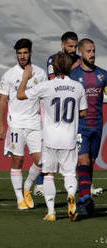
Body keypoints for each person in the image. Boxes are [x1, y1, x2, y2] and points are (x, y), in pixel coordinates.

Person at [17, 52, 87, 222]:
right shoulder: (78, 87)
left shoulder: (46, 86)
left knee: (48, 174)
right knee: (69, 173)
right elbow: (83, 112)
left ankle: (51, 212)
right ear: (70, 67)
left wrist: (26, 77)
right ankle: (71, 195)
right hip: (69, 137)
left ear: (54, 68)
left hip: (50, 138)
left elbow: (20, 95)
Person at [0, 39, 47, 210]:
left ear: (30, 53)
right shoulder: (9, 74)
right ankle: (19, 198)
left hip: (34, 122)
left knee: (42, 161)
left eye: (25, 52)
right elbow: (3, 100)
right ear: (16, 54)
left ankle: (27, 187)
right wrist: (0, 124)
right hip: (16, 124)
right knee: (17, 161)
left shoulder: (40, 74)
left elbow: (44, 100)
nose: (22, 56)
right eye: (19, 53)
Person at [34, 31, 81, 196]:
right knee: (48, 146)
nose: (73, 49)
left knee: (77, 151)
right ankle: (40, 182)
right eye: (70, 46)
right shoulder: (54, 60)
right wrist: (72, 67)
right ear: (62, 45)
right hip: (52, 107)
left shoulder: (79, 60)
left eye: (75, 46)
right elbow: (52, 78)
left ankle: (83, 185)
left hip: (72, 109)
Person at [70, 38, 107, 216]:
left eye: (93, 51)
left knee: (90, 164)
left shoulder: (103, 75)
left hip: (97, 126)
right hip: (80, 127)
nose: (92, 54)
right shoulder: (73, 76)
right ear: (81, 53)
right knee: (82, 161)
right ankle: (85, 200)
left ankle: (85, 196)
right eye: (88, 51)